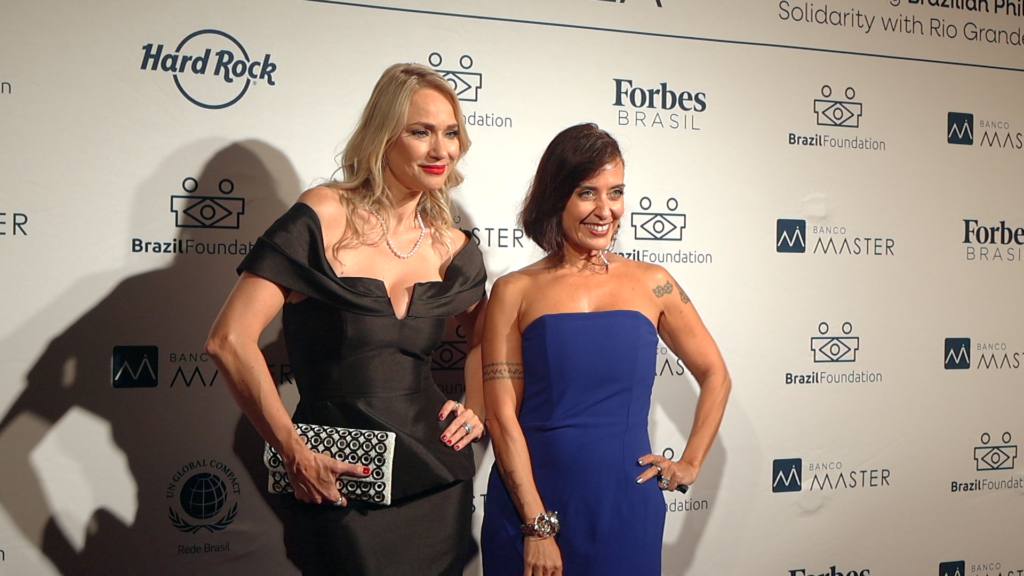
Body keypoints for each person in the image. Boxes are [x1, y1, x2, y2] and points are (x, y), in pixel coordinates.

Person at [206, 63, 487, 575]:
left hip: (436, 473)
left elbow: (492, 339)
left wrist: (478, 405)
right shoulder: (324, 214)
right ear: (383, 135)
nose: (440, 150)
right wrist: (293, 451)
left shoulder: (451, 244)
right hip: (337, 473)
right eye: (420, 132)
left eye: (450, 133)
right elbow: (229, 340)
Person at [480, 123, 731, 575]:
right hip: (528, 509)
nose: (605, 210)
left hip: (624, 508)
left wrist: (690, 463)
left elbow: (716, 374)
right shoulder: (514, 291)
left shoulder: (654, 283)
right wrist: (537, 525)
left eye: (615, 193)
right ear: (556, 197)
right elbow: (500, 417)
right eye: (587, 193)